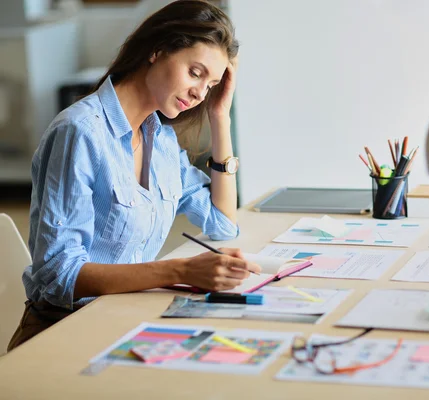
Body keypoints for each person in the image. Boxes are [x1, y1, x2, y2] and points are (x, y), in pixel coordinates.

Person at [8, 0, 260, 351]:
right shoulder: (80, 132)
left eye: (212, 84)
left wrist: (220, 118)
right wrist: (180, 271)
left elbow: (222, 222)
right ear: (157, 51)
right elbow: (58, 275)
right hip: (65, 332)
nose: (200, 93)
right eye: (195, 73)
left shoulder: (162, 140)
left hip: (123, 321)